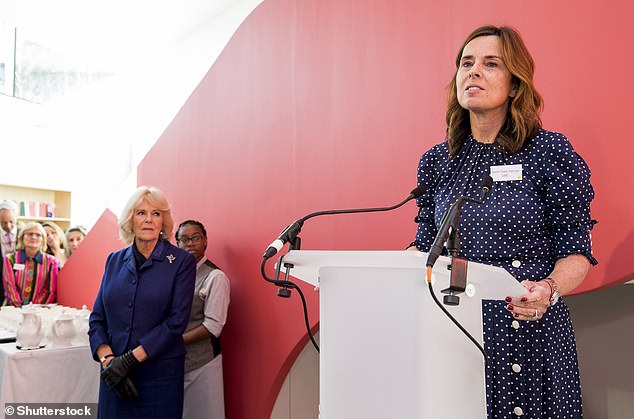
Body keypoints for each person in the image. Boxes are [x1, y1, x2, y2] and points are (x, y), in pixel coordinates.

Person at [409, 25, 596, 418]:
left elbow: (577, 252)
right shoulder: (437, 161)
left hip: (527, 327)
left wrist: (547, 289)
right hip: (454, 329)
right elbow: (423, 248)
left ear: (514, 85)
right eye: (466, 63)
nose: (473, 72)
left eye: (490, 64)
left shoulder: (548, 151)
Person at [88, 186, 196, 418]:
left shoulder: (181, 262)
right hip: (114, 375)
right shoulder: (114, 261)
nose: (148, 219)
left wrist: (129, 360)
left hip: (158, 378)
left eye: (156, 213)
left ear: (163, 221)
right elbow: (97, 318)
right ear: (130, 220)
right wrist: (109, 361)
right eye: (141, 213)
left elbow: (176, 322)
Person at [176, 220, 230, 419]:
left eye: (195, 238)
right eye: (184, 240)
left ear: (205, 241)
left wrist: (173, 341)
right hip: (175, 362)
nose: (190, 244)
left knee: (205, 414)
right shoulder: (176, 275)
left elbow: (213, 327)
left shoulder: (215, 277)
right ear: (177, 244)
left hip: (203, 363)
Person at [3, 222, 59, 306]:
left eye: (38, 235)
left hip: (40, 310)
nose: (33, 237)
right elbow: (10, 286)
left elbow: (50, 290)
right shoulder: (10, 259)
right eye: (30, 234)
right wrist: (20, 307)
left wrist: (34, 308)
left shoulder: (51, 261)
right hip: (12, 309)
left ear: (43, 239)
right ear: (22, 237)